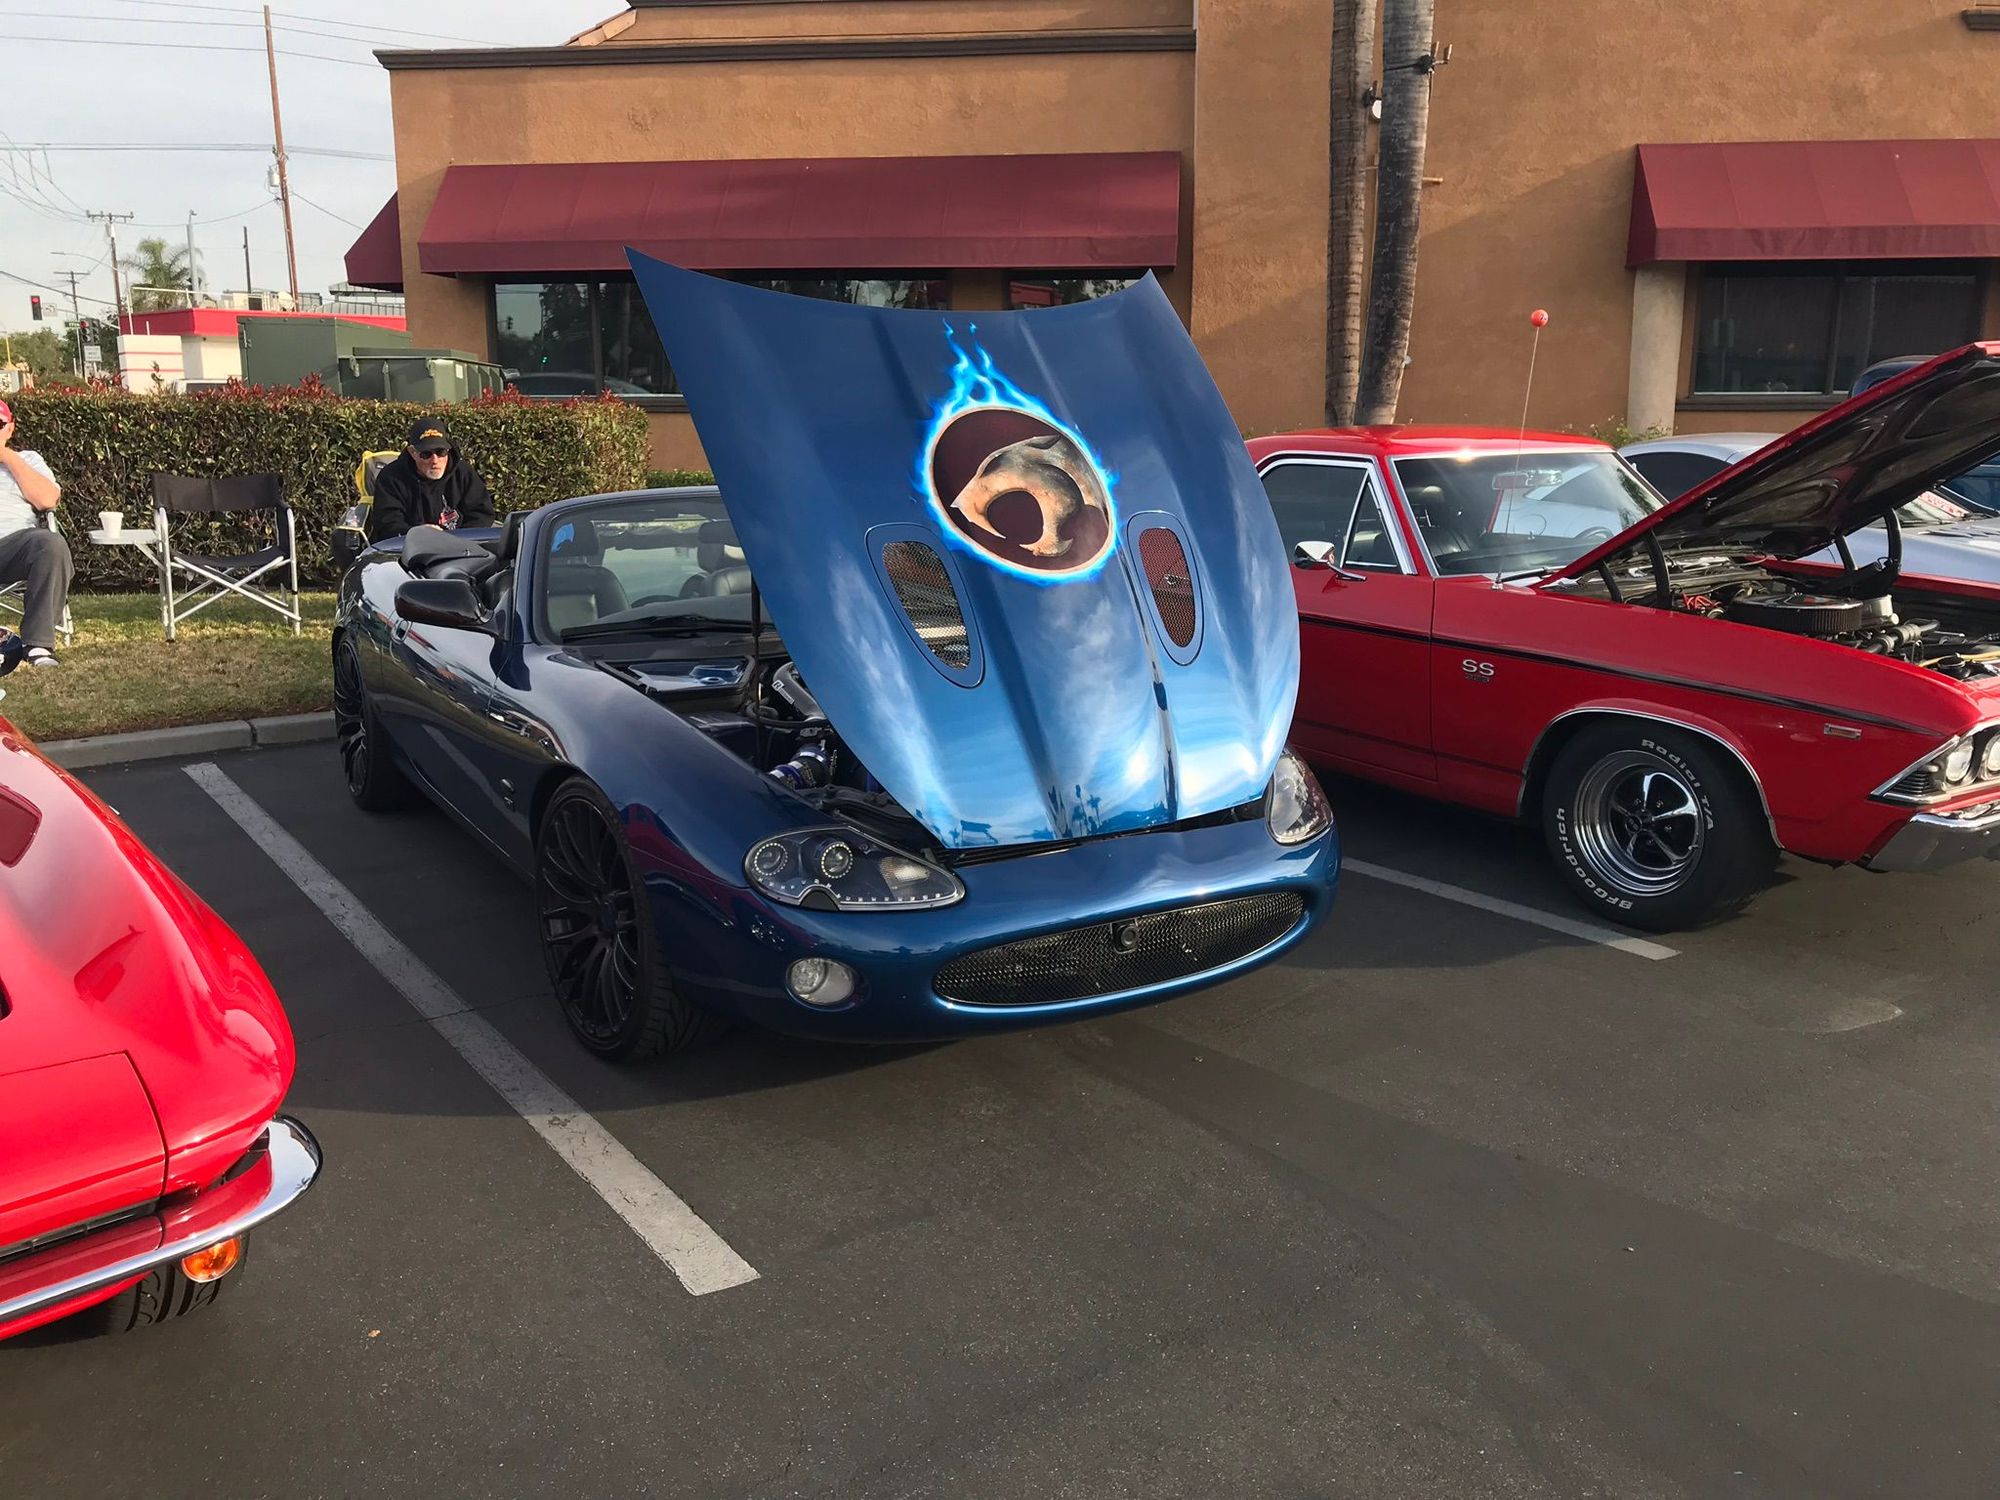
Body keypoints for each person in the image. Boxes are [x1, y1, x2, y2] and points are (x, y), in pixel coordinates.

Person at [0, 399, 72, 669]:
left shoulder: (29, 460)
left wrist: (7, 457)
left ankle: (37, 645)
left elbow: (47, 500)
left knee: (50, 544)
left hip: (14, 545)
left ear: (10, 429)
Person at [366, 415, 496, 542]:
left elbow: (481, 513)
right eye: (426, 454)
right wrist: (417, 534)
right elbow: (388, 525)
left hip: (461, 547)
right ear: (413, 452)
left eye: (441, 452)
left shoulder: (462, 472)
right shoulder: (391, 478)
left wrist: (457, 540)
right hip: (409, 549)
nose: (435, 460)